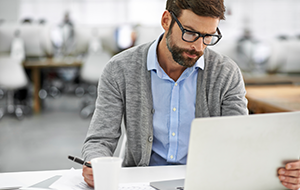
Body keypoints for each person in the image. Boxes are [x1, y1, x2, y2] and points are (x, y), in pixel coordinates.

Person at [81, 0, 300, 189]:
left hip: (208, 182)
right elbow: (100, 139)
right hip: (141, 181)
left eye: (208, 37)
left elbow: (240, 143)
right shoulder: (120, 69)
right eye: (190, 33)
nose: (198, 46)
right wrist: (95, 162)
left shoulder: (226, 73)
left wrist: (284, 169)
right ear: (166, 20)